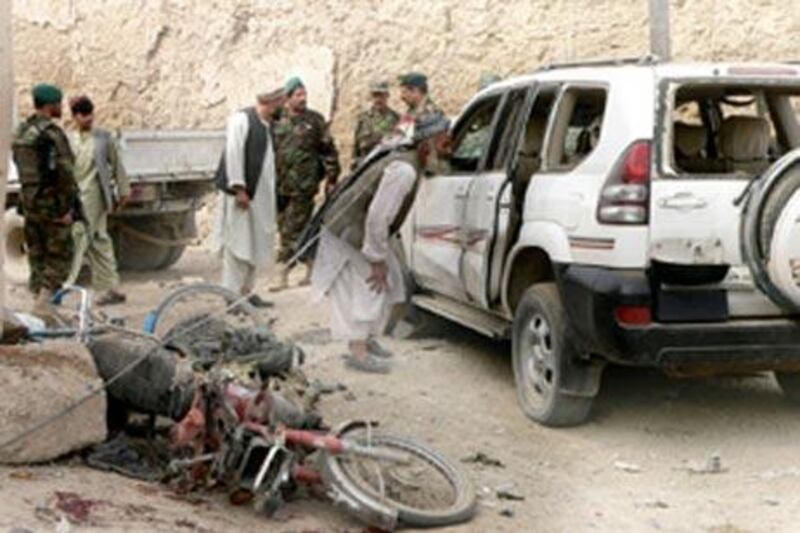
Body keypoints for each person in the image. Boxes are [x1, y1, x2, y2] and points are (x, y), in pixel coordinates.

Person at [311, 111, 452, 373]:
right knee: (374, 285)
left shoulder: (410, 163)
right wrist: (376, 260)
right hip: (351, 230)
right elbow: (377, 217)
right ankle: (358, 352)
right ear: (427, 145)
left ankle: (368, 338)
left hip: (360, 230)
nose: (449, 150)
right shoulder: (404, 171)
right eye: (444, 143)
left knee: (394, 284)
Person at [212, 88, 286, 307]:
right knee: (237, 246)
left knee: (255, 244)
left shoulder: (268, 126)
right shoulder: (241, 119)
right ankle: (231, 296)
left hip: (260, 200)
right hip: (242, 197)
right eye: (280, 102)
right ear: (270, 102)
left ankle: (246, 293)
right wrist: (239, 188)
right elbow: (233, 153)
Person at [11, 84, 80, 317]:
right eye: (58, 104)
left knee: (37, 255)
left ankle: (40, 309)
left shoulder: (21, 132)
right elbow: (66, 174)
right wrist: (67, 208)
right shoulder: (51, 134)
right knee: (59, 256)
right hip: (52, 205)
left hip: (30, 203)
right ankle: (43, 307)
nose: (61, 108)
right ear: (51, 106)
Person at [272, 76, 341, 291]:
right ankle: (311, 266)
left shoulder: (315, 120)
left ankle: (283, 273)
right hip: (280, 185)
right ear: (288, 98)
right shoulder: (277, 120)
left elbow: (328, 151)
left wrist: (332, 178)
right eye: (298, 95)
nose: (303, 99)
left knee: (291, 230)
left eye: (304, 94)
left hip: (304, 185)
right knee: (286, 227)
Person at [64, 95, 130, 306]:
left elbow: (116, 164)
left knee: (82, 236)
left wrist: (123, 190)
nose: (89, 119)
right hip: (75, 195)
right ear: (75, 117)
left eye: (90, 114)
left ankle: (63, 288)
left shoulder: (103, 138)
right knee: (98, 241)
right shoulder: (69, 139)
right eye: (83, 115)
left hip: (94, 196)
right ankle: (109, 288)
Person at [352, 81, 400, 167]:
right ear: (371, 97)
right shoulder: (363, 119)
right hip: (365, 165)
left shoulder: (396, 119)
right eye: (375, 96)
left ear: (387, 96)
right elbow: (356, 148)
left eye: (381, 95)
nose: (378, 99)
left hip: (387, 165)